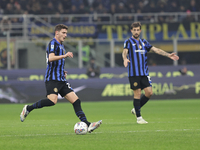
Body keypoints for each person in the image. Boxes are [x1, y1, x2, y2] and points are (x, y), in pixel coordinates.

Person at [20, 24, 102, 133]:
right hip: (52, 79)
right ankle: (28, 108)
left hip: (61, 79)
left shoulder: (61, 45)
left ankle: (88, 125)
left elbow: (57, 62)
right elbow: (51, 58)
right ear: (57, 33)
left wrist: (62, 71)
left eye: (66, 33)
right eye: (63, 33)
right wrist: (65, 55)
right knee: (52, 101)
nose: (65, 35)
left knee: (76, 101)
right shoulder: (52, 43)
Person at [122, 22, 179, 124]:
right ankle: (139, 118)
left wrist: (168, 55)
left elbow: (155, 49)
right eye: (134, 30)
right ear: (131, 31)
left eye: (137, 30)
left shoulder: (144, 42)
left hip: (144, 73)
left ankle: (136, 109)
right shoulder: (128, 42)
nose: (136, 32)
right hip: (134, 73)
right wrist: (125, 59)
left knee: (149, 93)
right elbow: (125, 51)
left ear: (140, 30)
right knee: (138, 93)